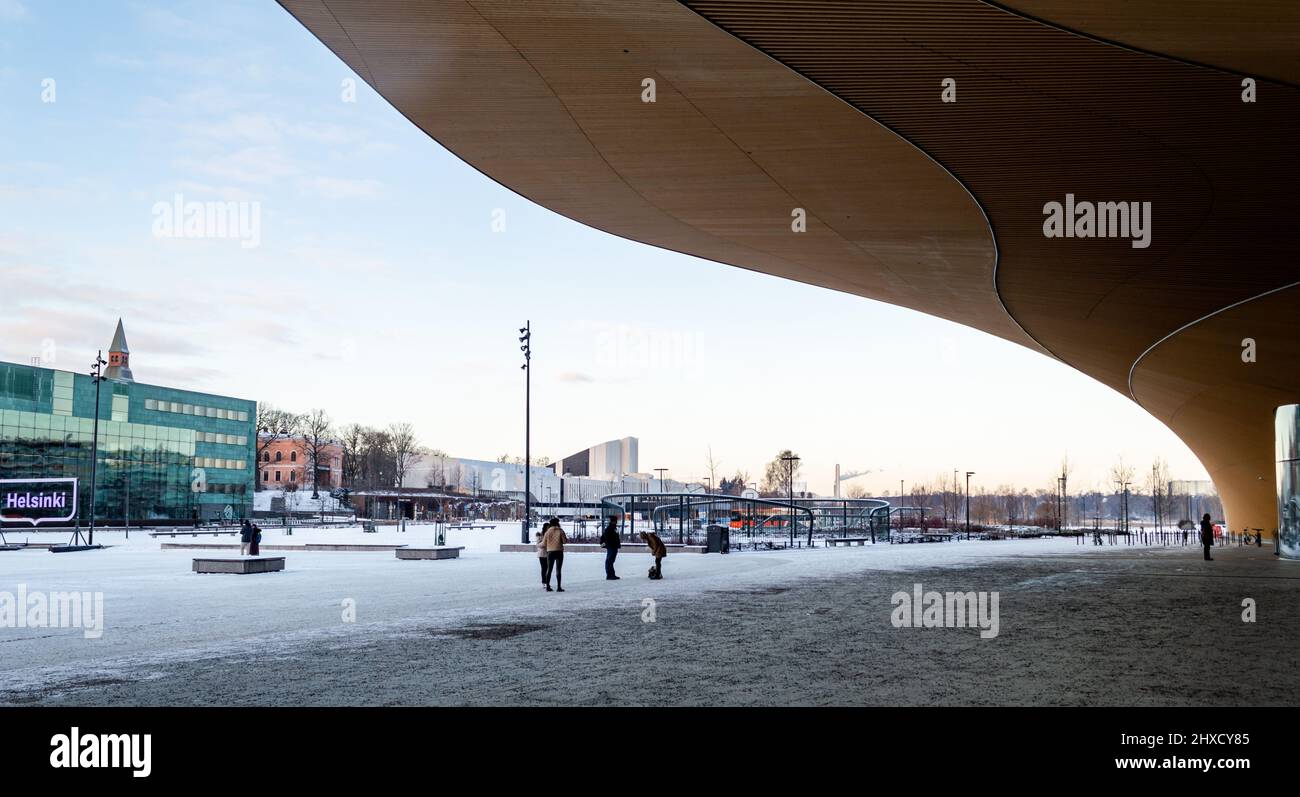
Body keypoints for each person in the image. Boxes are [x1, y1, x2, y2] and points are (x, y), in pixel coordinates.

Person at [543, 517, 567, 592]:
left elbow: (544, 543)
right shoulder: (560, 531)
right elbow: (564, 541)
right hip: (559, 551)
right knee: (558, 569)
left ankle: (547, 586)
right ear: (558, 523)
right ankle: (559, 587)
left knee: (549, 569)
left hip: (550, 552)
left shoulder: (547, 532)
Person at [600, 514, 622, 580]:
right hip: (611, 547)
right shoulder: (609, 529)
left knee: (611, 561)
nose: (616, 522)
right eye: (615, 521)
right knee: (609, 561)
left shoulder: (614, 528)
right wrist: (611, 544)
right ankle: (609, 575)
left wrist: (617, 544)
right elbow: (607, 538)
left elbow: (616, 537)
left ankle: (612, 574)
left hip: (614, 547)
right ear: (613, 521)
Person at [536, 520, 553, 588]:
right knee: (544, 568)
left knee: (548, 569)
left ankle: (547, 582)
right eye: (548, 527)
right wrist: (545, 544)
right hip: (542, 554)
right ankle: (544, 582)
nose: (549, 528)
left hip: (549, 553)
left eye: (549, 527)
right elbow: (538, 544)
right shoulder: (540, 535)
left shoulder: (551, 535)